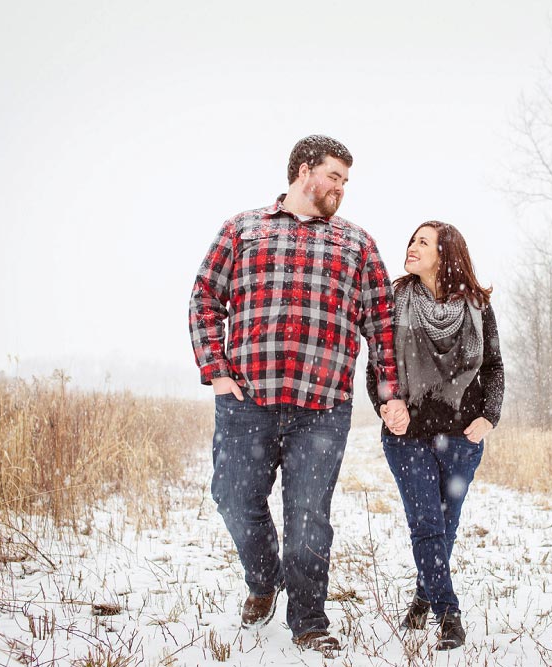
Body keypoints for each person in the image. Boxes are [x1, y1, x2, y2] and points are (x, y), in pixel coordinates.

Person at [189, 135, 409, 656]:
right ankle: (264, 579)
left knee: (309, 517)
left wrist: (391, 393)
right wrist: (216, 371)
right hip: (247, 400)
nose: (340, 188)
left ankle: (309, 621)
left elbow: (382, 323)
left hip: (323, 406)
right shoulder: (243, 229)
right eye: (334, 176)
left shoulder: (356, 242)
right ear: (304, 170)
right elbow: (204, 299)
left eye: (345, 182)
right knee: (234, 499)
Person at [367, 221, 505, 651]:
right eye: (411, 240)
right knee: (426, 523)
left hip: (463, 437)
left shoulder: (477, 306)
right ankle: (449, 615)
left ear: (446, 254)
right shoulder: (396, 299)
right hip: (407, 435)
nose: (411, 247)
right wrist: (387, 405)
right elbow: (378, 364)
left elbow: (494, 367)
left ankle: (425, 594)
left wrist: (490, 417)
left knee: (446, 525)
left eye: (422, 242)